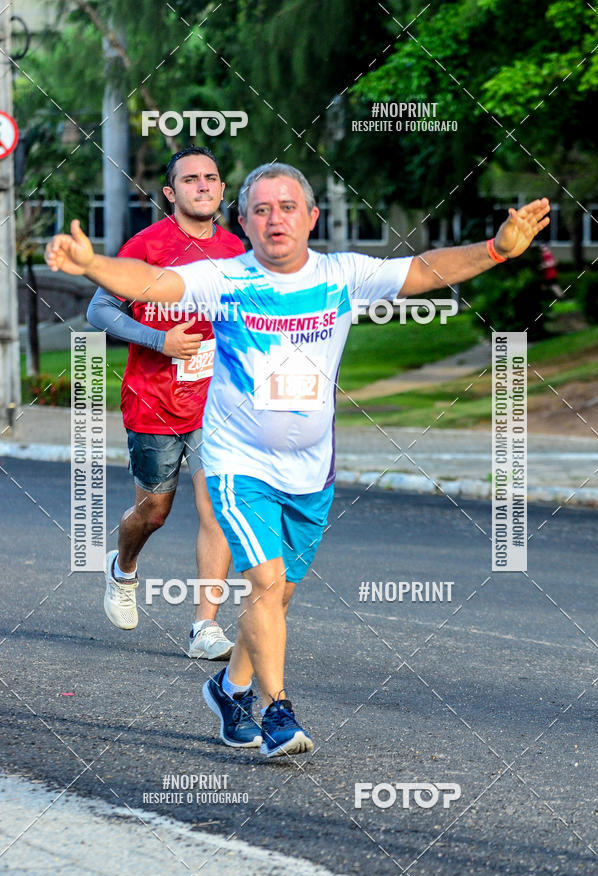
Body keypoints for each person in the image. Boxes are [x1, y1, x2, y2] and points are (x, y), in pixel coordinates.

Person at [46, 163, 550, 757]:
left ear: (311, 217)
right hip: (238, 461)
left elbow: (423, 270)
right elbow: (154, 284)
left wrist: (495, 248)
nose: (274, 218)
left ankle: (231, 689)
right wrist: (94, 266)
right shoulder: (224, 276)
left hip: (312, 471)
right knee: (265, 581)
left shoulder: (342, 275)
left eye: (287, 207)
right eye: (260, 209)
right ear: (244, 221)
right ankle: (277, 711)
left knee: (277, 597)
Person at [86, 146, 245, 660]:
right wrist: (159, 341)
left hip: (214, 402)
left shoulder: (236, 251)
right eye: (191, 179)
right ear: (171, 194)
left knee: (217, 507)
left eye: (212, 178)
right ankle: (123, 567)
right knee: (153, 511)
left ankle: (204, 628)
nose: (203, 186)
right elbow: (99, 308)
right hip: (153, 402)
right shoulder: (148, 246)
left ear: (222, 190)